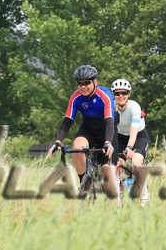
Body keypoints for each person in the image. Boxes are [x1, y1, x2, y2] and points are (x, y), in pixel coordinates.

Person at [47, 65, 117, 198]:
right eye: (80, 84)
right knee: (77, 147)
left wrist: (108, 142)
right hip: (88, 128)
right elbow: (67, 120)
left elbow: (109, 120)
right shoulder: (76, 97)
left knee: (106, 171)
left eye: (87, 83)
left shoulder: (105, 95)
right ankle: (85, 184)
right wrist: (58, 141)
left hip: (106, 129)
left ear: (95, 82)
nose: (83, 87)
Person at [110, 79, 150, 207]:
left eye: (124, 93)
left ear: (129, 94)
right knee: (116, 165)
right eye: (117, 93)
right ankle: (118, 202)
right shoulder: (111, 107)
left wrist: (129, 147)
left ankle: (144, 197)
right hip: (120, 137)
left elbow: (134, 130)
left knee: (136, 163)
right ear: (113, 95)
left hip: (138, 136)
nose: (121, 96)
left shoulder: (134, 107)